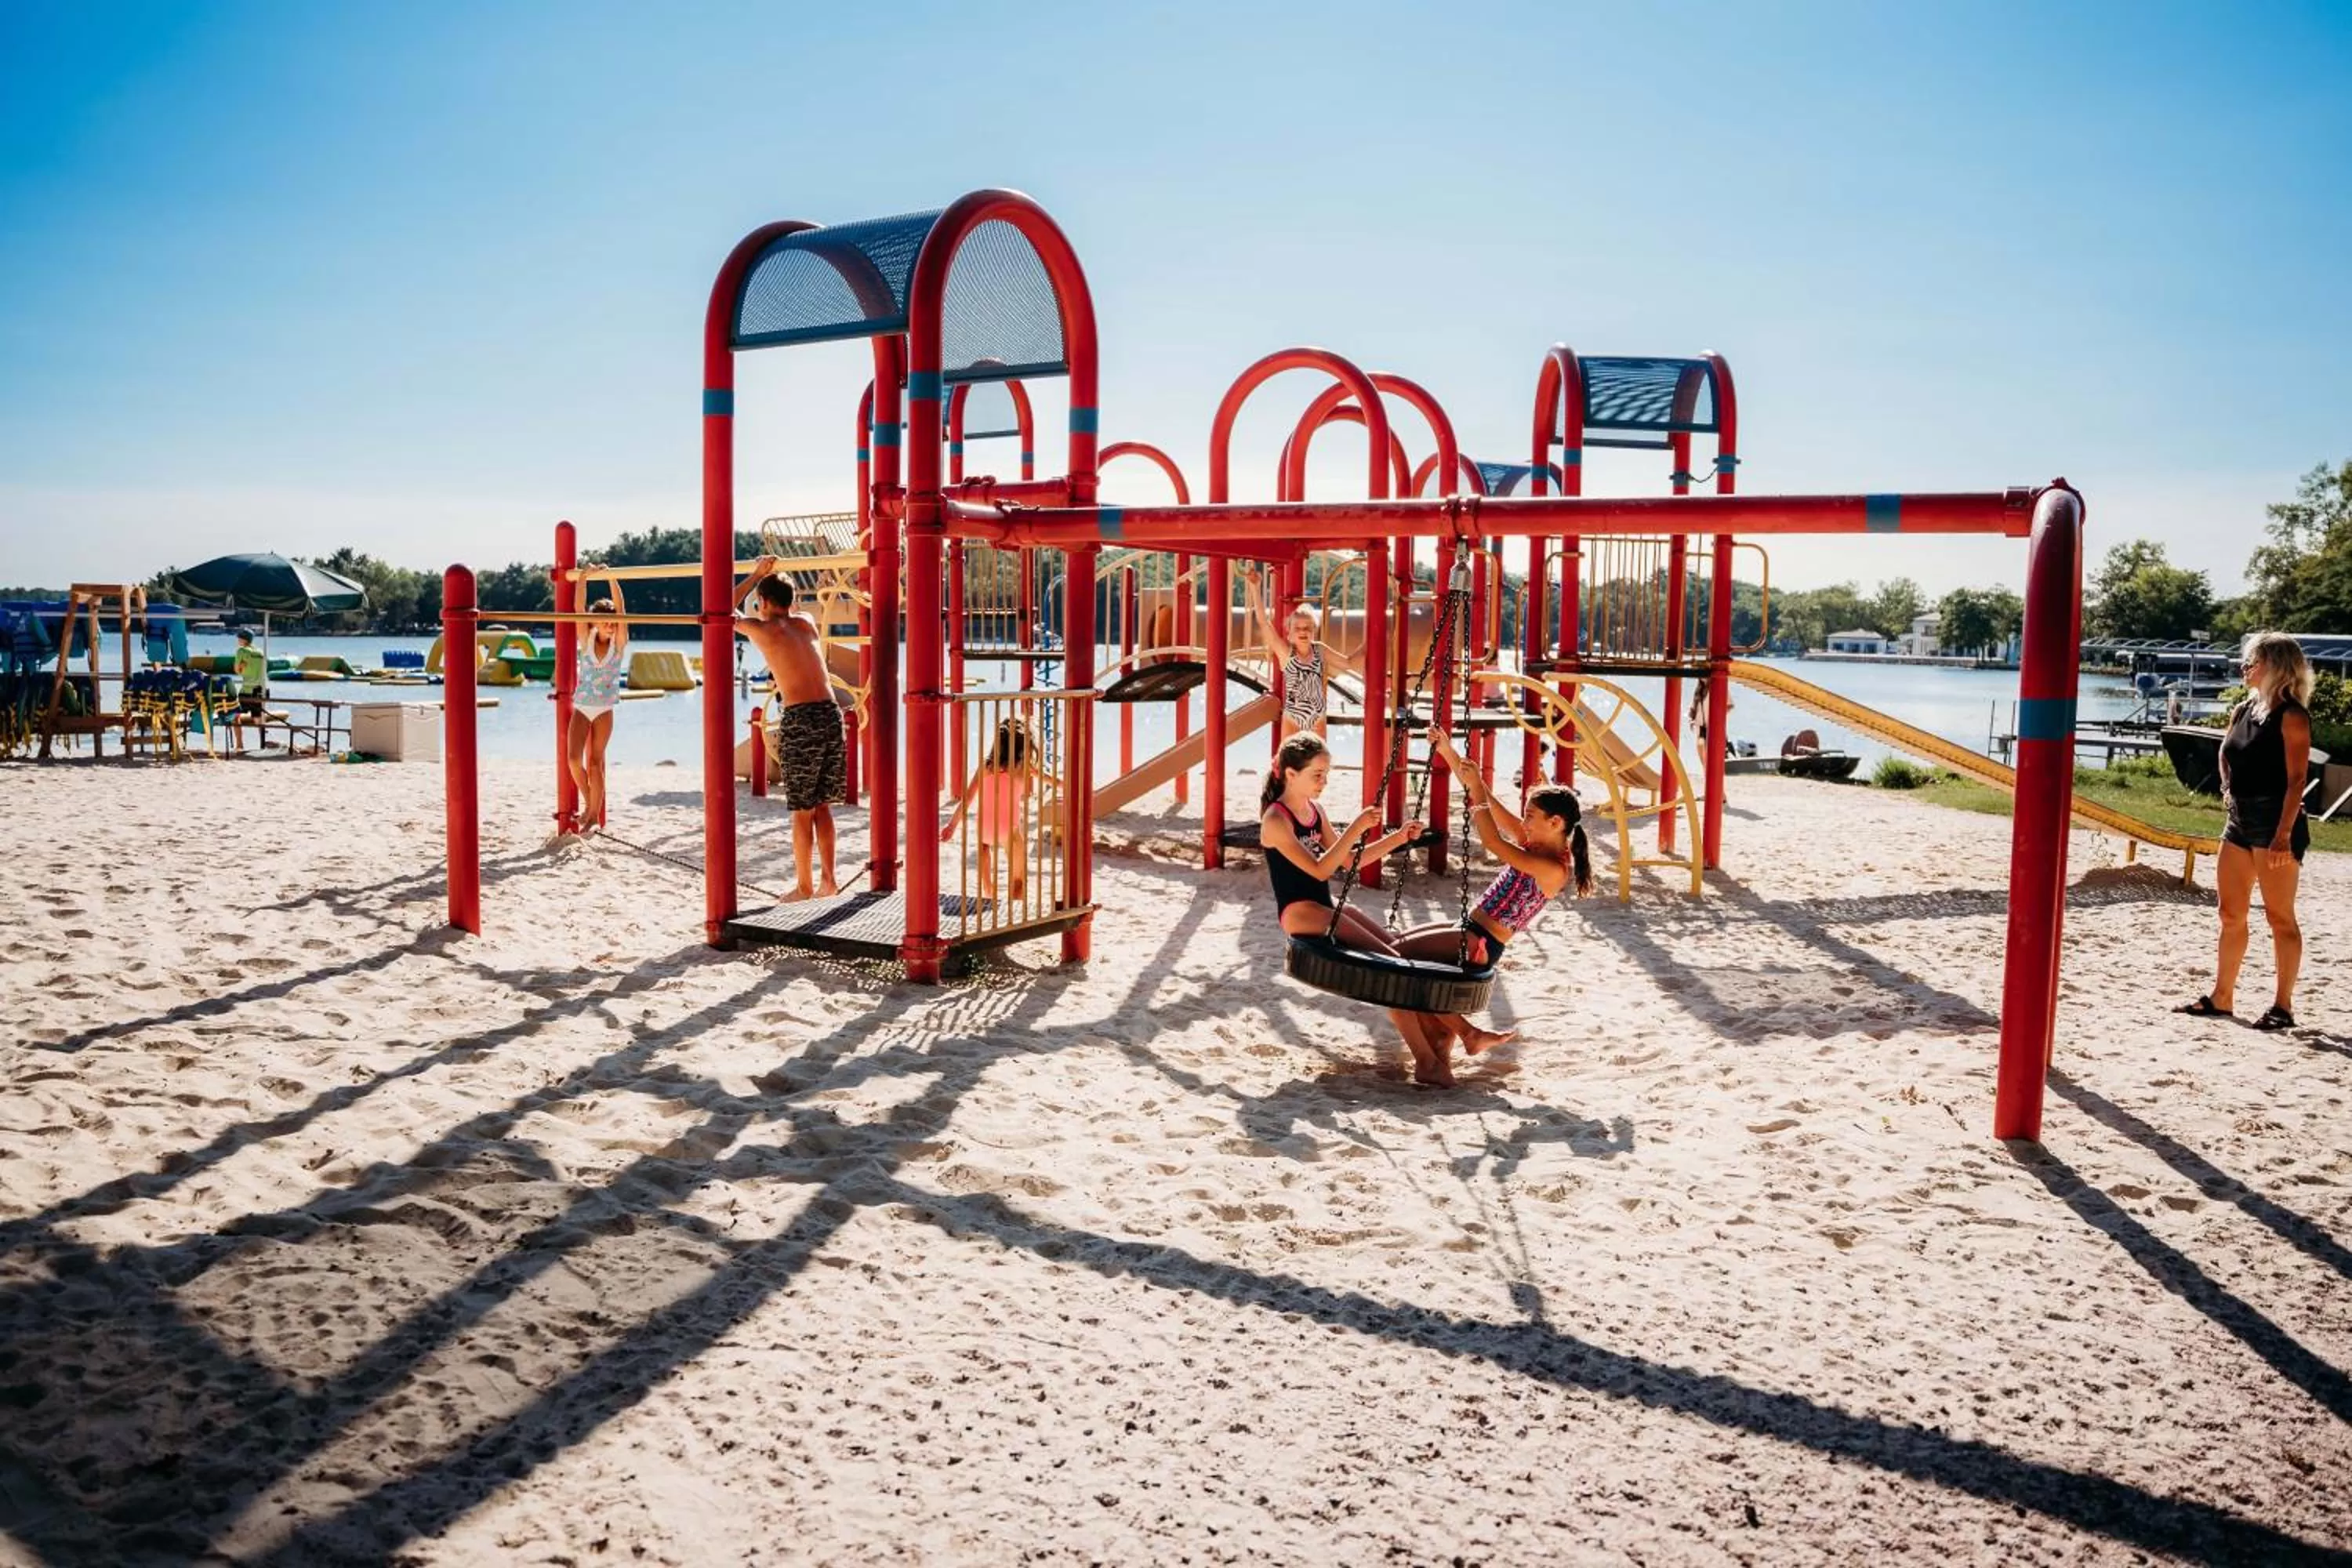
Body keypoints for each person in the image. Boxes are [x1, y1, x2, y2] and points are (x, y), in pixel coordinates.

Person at [1384, 726, 1596, 1076]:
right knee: (1398, 960)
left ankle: (1466, 1035)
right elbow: (1487, 801)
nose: (1524, 822)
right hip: (1468, 930)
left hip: (1481, 942)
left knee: (1397, 963)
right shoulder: (1536, 841)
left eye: (1530, 816)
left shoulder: (1553, 869)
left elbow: (1495, 844)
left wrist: (1479, 797)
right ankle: (1438, 1059)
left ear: (1556, 823)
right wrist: (1448, 752)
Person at [1259, 731, 1454, 1080]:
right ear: (1291, 774)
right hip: (1299, 911)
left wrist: (1397, 839)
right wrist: (1355, 827)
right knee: (1392, 965)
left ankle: (1436, 1032)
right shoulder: (1276, 820)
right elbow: (1321, 868)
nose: (1324, 782)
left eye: (1326, 774)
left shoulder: (1313, 810)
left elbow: (1349, 861)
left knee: (1395, 947)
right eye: (1317, 774)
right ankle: (1425, 1058)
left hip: (1324, 905)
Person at [2178, 631, 2313, 1030]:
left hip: (2276, 823)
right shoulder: (2243, 710)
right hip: (2238, 821)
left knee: (2279, 917)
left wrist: (2283, 835)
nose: (2245, 668)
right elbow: (2225, 752)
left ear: (2275, 666)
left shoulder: (2292, 716)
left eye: (2253, 661)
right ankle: (2223, 997)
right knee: (2230, 913)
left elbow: (2296, 780)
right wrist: (2226, 789)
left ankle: (2283, 1007)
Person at [737, 556, 844, 901]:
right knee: (823, 806)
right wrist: (773, 581)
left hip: (802, 720)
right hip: (832, 715)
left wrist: (755, 574)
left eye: (759, 602)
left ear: (763, 603)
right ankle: (829, 881)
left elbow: (719, 609)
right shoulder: (807, 623)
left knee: (802, 810)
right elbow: (790, 605)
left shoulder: (764, 629)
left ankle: (804, 887)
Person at [942, 717, 1046, 905]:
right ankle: (1012, 913)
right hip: (1009, 830)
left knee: (985, 858)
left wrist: (952, 825)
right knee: (1018, 881)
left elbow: (968, 799)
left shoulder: (987, 766)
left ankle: (989, 891)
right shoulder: (1023, 769)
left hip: (985, 830)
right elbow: (1056, 782)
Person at [565, 575, 627, 833]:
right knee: (572, 760)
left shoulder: (619, 644)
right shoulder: (586, 639)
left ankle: (592, 816)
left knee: (595, 762)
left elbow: (622, 610)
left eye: (613, 622)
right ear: (595, 622)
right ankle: (591, 804)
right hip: (582, 706)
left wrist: (612, 579)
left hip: (604, 709)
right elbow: (578, 607)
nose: (611, 625)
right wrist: (583, 578)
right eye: (606, 621)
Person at [1244, 566, 1331, 739]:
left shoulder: (1319, 650)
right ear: (1289, 635)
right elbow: (1263, 622)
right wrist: (1255, 588)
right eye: (1297, 629)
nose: (1303, 632)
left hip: (1318, 714)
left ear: (1314, 631)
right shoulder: (1287, 654)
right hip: (1294, 715)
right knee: (1290, 758)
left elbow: (1350, 662)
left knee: (1319, 760)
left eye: (1307, 628)